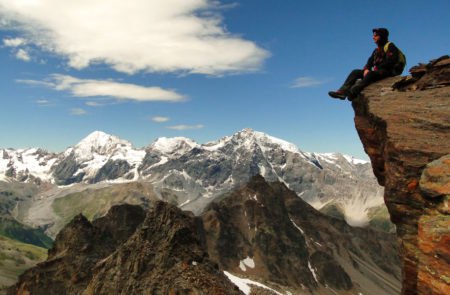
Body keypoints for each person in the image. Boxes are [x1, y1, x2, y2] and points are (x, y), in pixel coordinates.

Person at [328, 28, 404, 100]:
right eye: (373, 35)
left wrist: (375, 69)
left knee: (370, 74)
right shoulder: (376, 51)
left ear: (382, 36)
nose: (373, 37)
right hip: (379, 71)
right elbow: (370, 61)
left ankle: (353, 92)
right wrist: (366, 69)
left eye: (376, 35)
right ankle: (342, 92)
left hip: (389, 72)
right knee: (355, 72)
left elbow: (391, 62)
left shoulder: (390, 46)